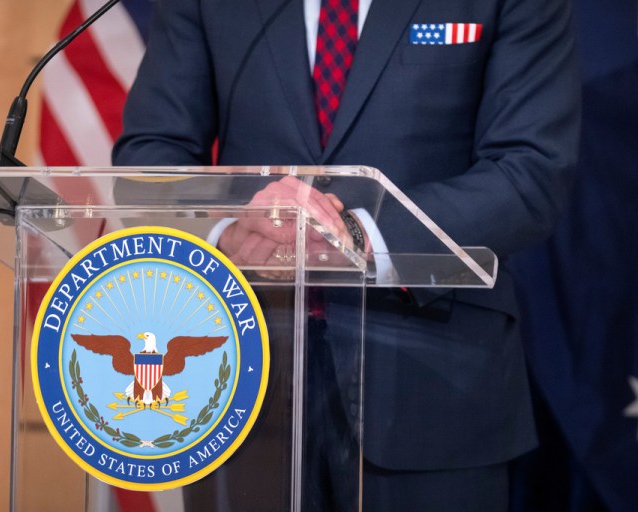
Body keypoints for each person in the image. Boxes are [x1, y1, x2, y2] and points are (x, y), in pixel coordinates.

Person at [112, 0, 581, 510]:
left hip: (431, 385)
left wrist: (356, 235)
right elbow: (149, 163)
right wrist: (229, 232)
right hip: (240, 379)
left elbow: (530, 174)